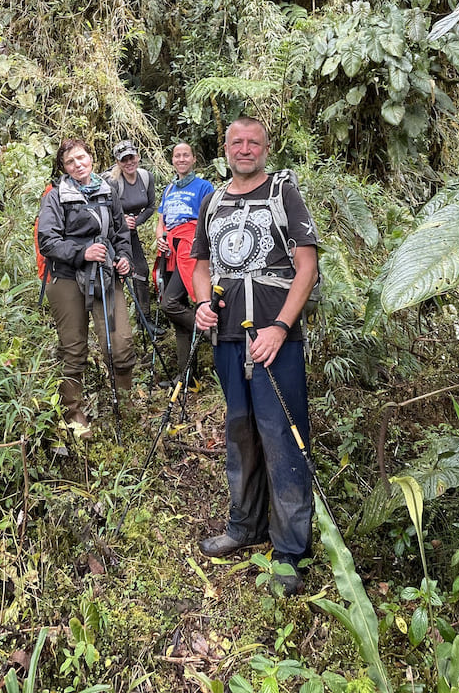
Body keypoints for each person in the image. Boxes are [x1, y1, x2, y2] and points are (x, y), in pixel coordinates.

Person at [192, 116, 320, 596]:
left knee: (283, 438)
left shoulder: (283, 193)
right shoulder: (213, 200)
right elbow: (201, 265)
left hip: (275, 341)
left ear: (266, 148)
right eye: (236, 142)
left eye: (254, 142)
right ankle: (245, 526)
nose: (245, 149)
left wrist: (281, 327)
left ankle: (290, 551)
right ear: (224, 148)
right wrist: (203, 303)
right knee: (240, 430)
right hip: (228, 338)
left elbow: (307, 267)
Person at [37, 137, 136, 437]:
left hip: (104, 275)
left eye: (82, 158)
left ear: (91, 158)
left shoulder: (108, 192)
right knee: (74, 348)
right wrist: (82, 252)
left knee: (121, 344)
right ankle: (74, 412)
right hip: (66, 277)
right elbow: (47, 241)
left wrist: (124, 258)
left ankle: (125, 402)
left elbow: (120, 233)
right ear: (64, 167)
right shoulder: (55, 197)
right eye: (70, 162)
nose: (78, 164)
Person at [154, 142, 214, 379]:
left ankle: (212, 332)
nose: (181, 159)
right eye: (177, 156)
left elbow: (208, 219)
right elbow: (162, 222)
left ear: (193, 159)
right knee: (177, 317)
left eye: (185, 155)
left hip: (190, 249)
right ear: (172, 160)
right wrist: (160, 238)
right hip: (169, 250)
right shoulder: (168, 190)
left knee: (170, 303)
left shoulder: (204, 186)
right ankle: (187, 377)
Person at [103, 140, 156, 333]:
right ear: (118, 162)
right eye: (123, 159)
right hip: (112, 235)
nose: (128, 162)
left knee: (141, 271)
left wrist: (137, 220)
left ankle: (145, 321)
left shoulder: (146, 177)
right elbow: (103, 211)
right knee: (115, 275)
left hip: (130, 233)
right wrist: (122, 220)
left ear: (137, 157)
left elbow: (150, 207)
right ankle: (114, 324)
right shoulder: (112, 182)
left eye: (131, 157)